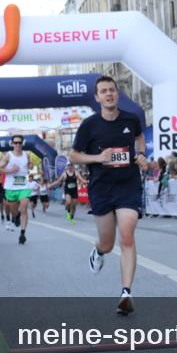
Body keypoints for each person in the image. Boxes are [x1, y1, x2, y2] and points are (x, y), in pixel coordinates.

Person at [70, 75, 152, 315]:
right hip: (102, 187)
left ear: (117, 94)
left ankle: (126, 292)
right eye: (104, 91)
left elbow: (139, 137)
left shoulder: (131, 119)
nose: (109, 94)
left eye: (112, 90)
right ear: (97, 98)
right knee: (107, 242)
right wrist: (97, 158)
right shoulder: (89, 125)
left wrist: (140, 154)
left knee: (127, 236)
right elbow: (74, 155)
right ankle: (98, 250)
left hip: (128, 185)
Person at [0, 136, 33, 243]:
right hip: (11, 188)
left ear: (22, 143)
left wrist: (31, 165)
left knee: (23, 208)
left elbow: (30, 165)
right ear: (12, 144)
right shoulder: (8, 155)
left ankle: (22, 234)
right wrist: (11, 170)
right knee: (14, 211)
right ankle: (16, 216)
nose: (17, 144)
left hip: (24, 187)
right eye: (15, 142)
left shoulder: (26, 154)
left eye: (19, 142)